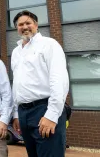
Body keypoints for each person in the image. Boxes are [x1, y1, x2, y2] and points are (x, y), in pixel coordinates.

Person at [11, 10, 69, 157]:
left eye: (28, 23)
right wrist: (16, 113)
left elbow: (59, 79)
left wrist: (51, 115)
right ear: (16, 28)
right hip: (24, 112)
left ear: (36, 25)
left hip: (44, 109)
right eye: (20, 24)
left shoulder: (49, 44)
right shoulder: (16, 52)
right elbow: (17, 84)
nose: (24, 27)